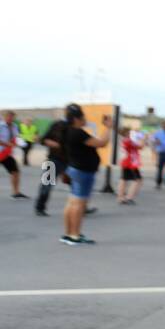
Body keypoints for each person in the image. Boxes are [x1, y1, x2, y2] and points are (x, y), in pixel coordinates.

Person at [60, 105, 108, 245]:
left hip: (74, 168)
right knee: (79, 204)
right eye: (82, 117)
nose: (84, 119)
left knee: (72, 202)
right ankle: (75, 235)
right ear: (76, 119)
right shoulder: (78, 133)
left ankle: (68, 233)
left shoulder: (66, 130)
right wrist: (108, 127)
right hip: (83, 171)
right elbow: (102, 143)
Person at [35, 111, 71, 217]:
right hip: (53, 159)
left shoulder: (75, 127)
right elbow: (43, 139)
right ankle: (39, 208)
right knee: (46, 184)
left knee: (76, 184)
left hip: (71, 161)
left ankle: (82, 207)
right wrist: (51, 143)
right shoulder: (56, 125)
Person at [0, 111, 27, 199]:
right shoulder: (0, 126)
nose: (10, 118)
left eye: (12, 117)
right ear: (4, 117)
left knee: (15, 172)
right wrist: (6, 144)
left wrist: (20, 142)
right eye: (8, 117)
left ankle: (16, 192)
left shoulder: (14, 126)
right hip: (1, 151)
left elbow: (16, 137)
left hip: (6, 154)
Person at [117, 127, 143, 205]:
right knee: (137, 180)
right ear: (126, 133)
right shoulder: (128, 141)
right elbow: (140, 147)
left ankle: (120, 197)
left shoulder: (123, 140)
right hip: (131, 163)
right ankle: (129, 197)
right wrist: (143, 139)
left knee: (123, 179)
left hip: (125, 162)